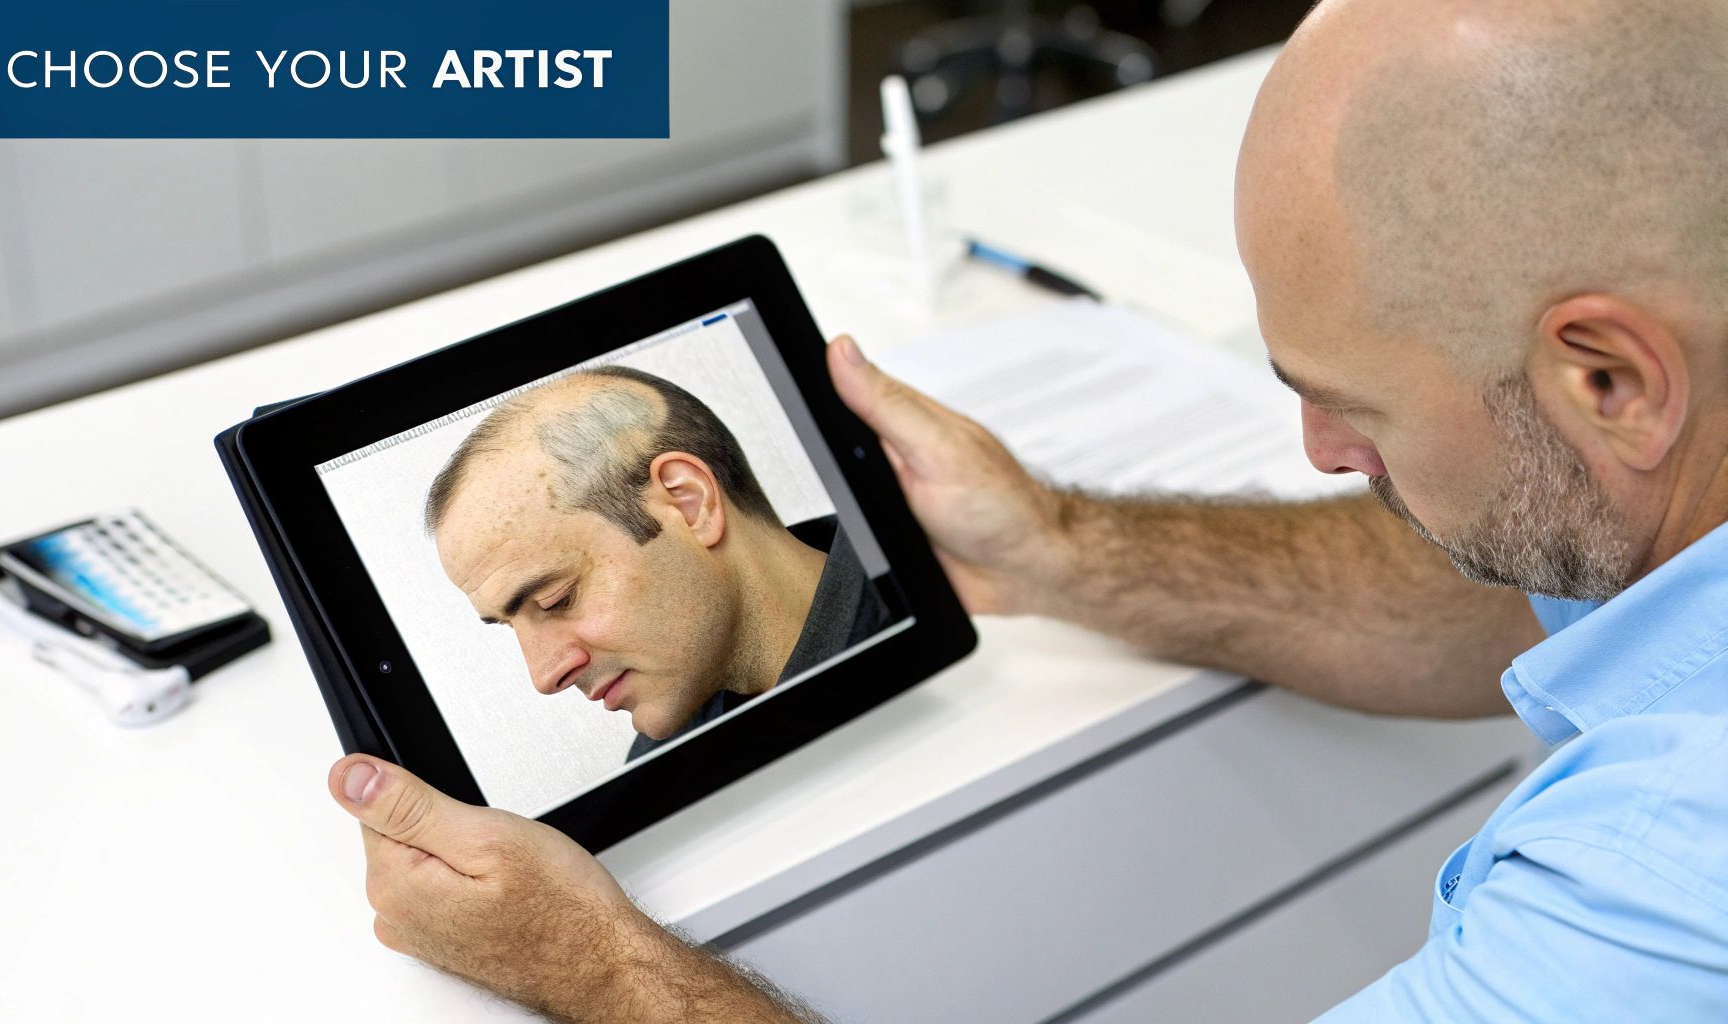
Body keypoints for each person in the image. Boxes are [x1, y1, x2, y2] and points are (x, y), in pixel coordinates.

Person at [324, 0, 1728, 1018]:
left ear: (1608, 378)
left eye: (1351, 400)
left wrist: (598, 970)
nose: (1314, 448)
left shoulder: (1654, 884)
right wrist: (1056, 544)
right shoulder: (1662, 508)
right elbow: (1484, 611)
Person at [424, 365, 892, 761]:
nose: (545, 676)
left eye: (556, 599)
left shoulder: (931, 590)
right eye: (510, 626)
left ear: (690, 504)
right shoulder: (667, 766)